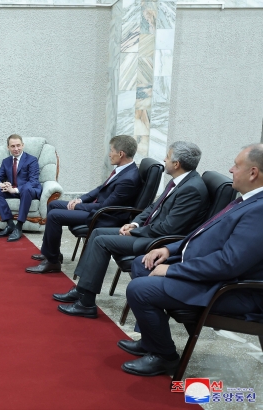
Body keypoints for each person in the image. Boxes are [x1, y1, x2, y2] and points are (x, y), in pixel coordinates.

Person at [118, 144, 263, 376]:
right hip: (211, 275)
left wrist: (174, 270)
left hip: (231, 290)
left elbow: (229, 263)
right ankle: (150, 340)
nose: (231, 169)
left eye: (236, 165)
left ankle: (165, 357)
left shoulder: (259, 210)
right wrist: (168, 249)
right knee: (142, 263)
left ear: (253, 173)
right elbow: (204, 234)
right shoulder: (247, 200)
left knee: (140, 289)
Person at [54, 141, 209, 319]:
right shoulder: (180, 181)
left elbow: (168, 228)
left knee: (101, 240)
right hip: (148, 232)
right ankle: (82, 290)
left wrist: (136, 232)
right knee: (97, 232)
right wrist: (134, 224)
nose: (164, 159)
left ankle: (86, 303)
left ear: (176, 164)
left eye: (167, 156)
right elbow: (152, 208)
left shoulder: (192, 189)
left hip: (159, 242)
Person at [26, 135, 141, 274]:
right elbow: (100, 189)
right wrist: (80, 200)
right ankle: (50, 252)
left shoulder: (129, 179)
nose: (109, 154)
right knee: (53, 205)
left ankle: (52, 262)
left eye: (111, 150)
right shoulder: (124, 170)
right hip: (97, 208)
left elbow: (105, 206)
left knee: (55, 215)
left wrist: (78, 206)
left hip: (105, 216)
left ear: (121, 153)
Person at [0, 134, 43, 242]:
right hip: (13, 189)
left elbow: (33, 181)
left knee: (26, 189)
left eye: (18, 145)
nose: (16, 149)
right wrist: (2, 184)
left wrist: (14, 190)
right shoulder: (6, 161)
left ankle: (19, 227)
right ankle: (10, 224)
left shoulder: (31, 160)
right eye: (13, 146)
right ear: (8, 147)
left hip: (29, 190)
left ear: (23, 145)